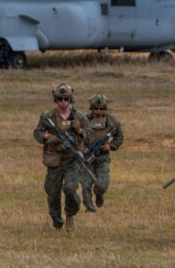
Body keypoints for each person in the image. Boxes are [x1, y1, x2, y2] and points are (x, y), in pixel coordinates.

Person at [33, 83, 91, 231]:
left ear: (70, 99)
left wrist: (79, 131)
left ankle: (70, 214)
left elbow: (89, 135)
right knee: (52, 193)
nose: (63, 102)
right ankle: (57, 221)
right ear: (56, 100)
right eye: (60, 99)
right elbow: (37, 133)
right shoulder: (48, 116)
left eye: (66, 99)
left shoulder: (79, 116)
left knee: (70, 189)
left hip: (73, 160)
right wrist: (48, 137)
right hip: (55, 160)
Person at [80, 93, 123, 212]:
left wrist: (111, 146)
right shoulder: (84, 120)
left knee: (102, 185)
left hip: (102, 159)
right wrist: (83, 149)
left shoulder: (111, 121)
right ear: (91, 108)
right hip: (87, 159)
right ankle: (89, 208)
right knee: (85, 184)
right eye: (96, 108)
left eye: (101, 108)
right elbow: (77, 137)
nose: (98, 111)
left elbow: (119, 136)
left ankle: (99, 193)